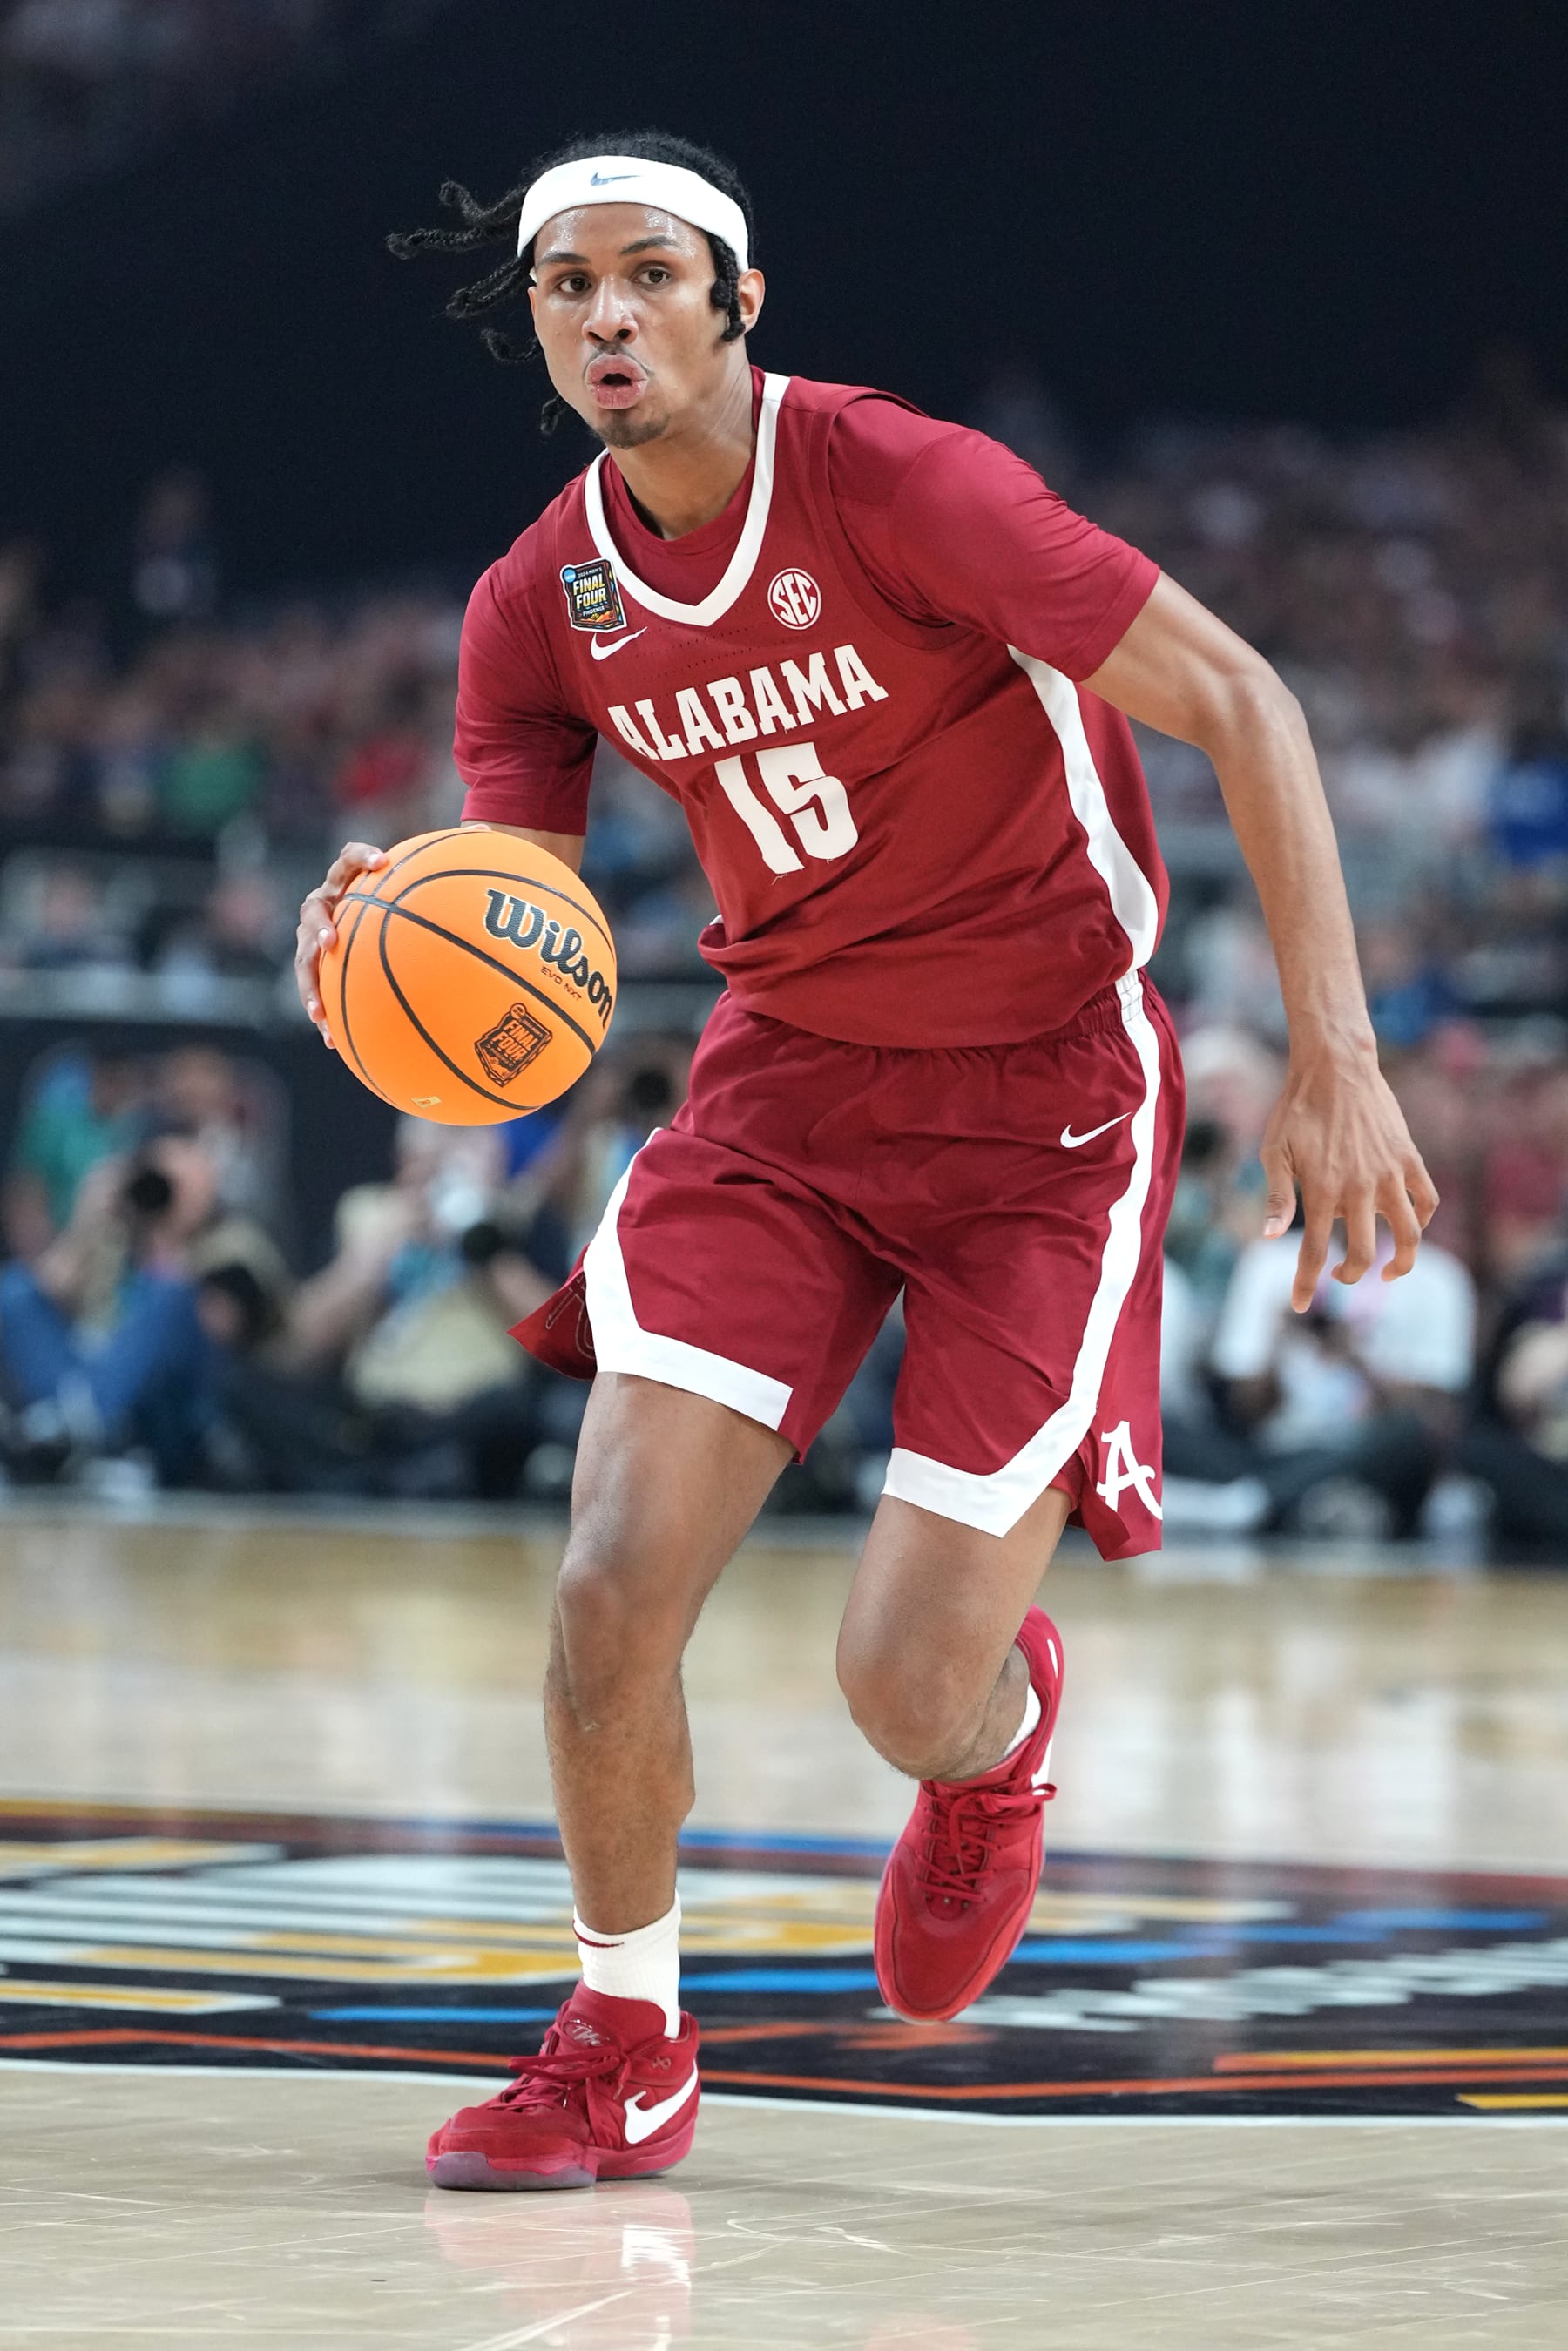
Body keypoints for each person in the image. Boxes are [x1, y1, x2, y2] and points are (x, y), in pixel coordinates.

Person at [294, 132, 1436, 2191]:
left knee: (902, 1682)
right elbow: (518, 955)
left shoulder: (910, 485)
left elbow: (1246, 704)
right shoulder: (530, 604)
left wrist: (1339, 1059)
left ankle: (989, 1755)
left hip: (1045, 1105)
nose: (609, 316)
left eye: (651, 276)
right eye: (569, 287)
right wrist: (384, 940)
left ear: (739, 301)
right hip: (784, 1093)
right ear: (536, 324)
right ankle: (621, 2037)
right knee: (605, 1594)